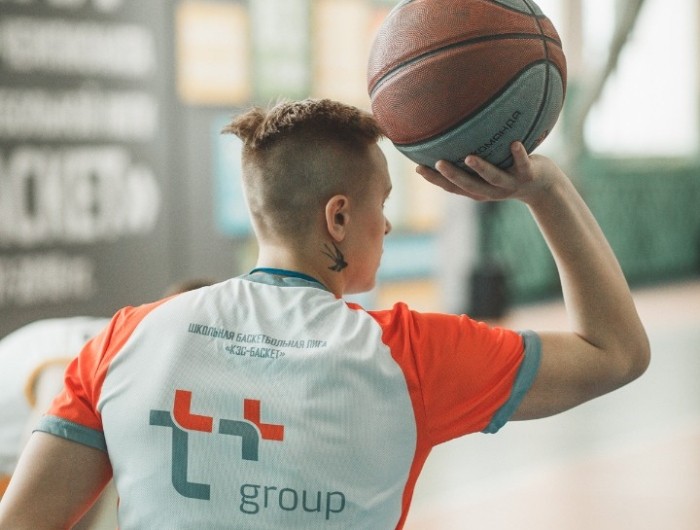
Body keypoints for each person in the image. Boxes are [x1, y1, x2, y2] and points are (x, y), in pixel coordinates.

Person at [0, 99, 650, 529]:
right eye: (381, 203)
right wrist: (545, 189)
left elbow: (23, 521)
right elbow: (616, 352)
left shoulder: (123, 340)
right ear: (338, 217)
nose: (386, 224)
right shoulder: (409, 355)